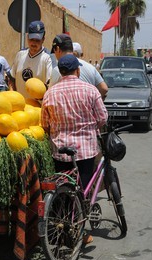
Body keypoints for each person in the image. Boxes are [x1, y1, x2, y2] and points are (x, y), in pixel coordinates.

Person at [42, 53, 107, 189]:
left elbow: (45, 124)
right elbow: (102, 118)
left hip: (61, 151)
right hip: (86, 151)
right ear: (78, 70)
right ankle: (82, 208)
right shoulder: (91, 90)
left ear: (60, 72)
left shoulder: (50, 93)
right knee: (83, 190)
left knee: (63, 187)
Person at [49, 34, 108, 100]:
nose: (55, 55)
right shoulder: (90, 67)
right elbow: (104, 88)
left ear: (57, 49)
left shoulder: (57, 70)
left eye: (54, 52)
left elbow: (50, 95)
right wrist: (91, 100)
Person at [10, 20, 52, 98]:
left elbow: (50, 87)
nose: (33, 43)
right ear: (27, 37)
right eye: (31, 39)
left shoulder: (48, 59)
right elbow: (11, 79)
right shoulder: (20, 55)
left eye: (37, 40)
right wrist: (13, 96)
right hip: (19, 107)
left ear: (43, 39)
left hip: (37, 108)